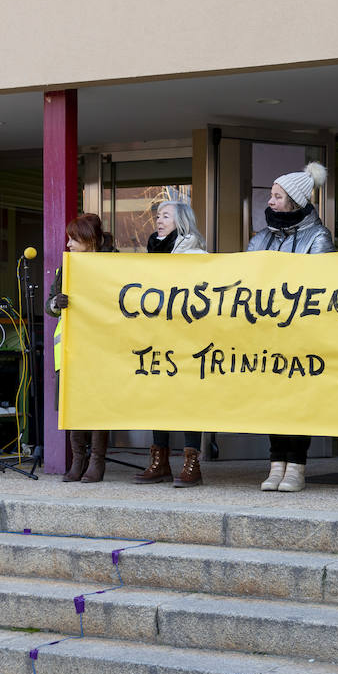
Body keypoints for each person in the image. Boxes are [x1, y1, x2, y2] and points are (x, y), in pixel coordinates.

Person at [249, 160, 333, 491]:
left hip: (302, 333)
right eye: (271, 195)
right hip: (269, 332)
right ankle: (276, 463)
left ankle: (296, 465)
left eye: (277, 196)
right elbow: (247, 277)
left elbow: (322, 284)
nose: (270, 201)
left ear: (294, 202)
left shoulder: (318, 236)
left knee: (297, 399)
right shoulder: (261, 237)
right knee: (274, 399)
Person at [136, 199, 210, 487]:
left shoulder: (197, 256)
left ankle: (192, 464)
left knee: (189, 399)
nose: (158, 220)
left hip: (189, 337)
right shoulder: (153, 254)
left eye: (166, 216)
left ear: (182, 221)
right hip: (158, 336)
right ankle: (160, 461)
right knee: (159, 396)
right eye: (157, 216)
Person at [47, 213, 115, 483]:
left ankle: (97, 461)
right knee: (73, 401)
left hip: (102, 344)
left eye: (74, 238)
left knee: (99, 401)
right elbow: (50, 304)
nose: (69, 244)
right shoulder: (67, 267)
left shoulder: (113, 265)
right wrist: (56, 303)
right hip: (72, 344)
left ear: (90, 240)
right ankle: (78, 460)